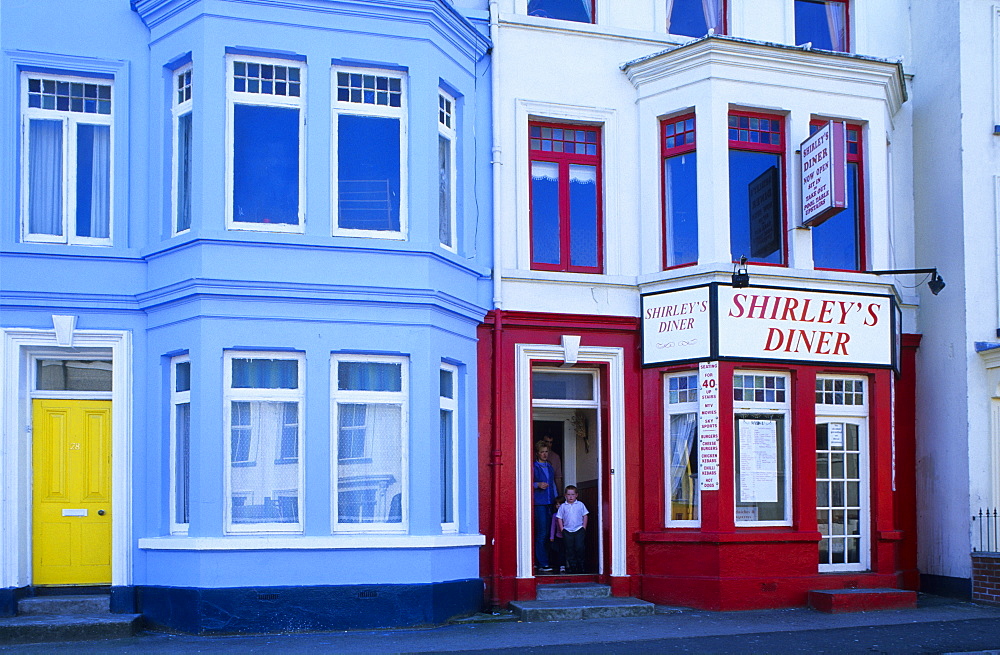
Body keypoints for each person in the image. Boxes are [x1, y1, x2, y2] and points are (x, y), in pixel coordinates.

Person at [532, 441, 557, 573]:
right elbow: (526, 483)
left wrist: (557, 500)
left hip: (550, 503)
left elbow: (552, 484)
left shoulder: (550, 467)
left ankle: (543, 560)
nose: (544, 454)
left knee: (549, 533)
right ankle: (542, 563)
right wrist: (537, 485)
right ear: (537, 453)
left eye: (546, 451)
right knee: (541, 533)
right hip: (539, 503)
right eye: (542, 451)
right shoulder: (533, 467)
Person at [556, 485, 588, 574]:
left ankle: (581, 566)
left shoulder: (580, 505)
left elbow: (585, 515)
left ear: (576, 495)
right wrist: (562, 529)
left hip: (579, 529)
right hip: (567, 531)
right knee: (569, 549)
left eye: (573, 494)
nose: (571, 496)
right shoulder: (563, 506)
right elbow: (559, 518)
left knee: (580, 547)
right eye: (569, 494)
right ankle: (572, 567)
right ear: (565, 495)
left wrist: (583, 527)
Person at [549, 495, 565, 573]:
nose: (558, 506)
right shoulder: (554, 515)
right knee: (559, 551)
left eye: (560, 504)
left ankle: (567, 564)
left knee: (567, 550)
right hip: (558, 536)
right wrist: (551, 536)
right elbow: (553, 527)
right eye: (557, 504)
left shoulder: (566, 513)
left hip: (567, 536)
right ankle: (561, 565)